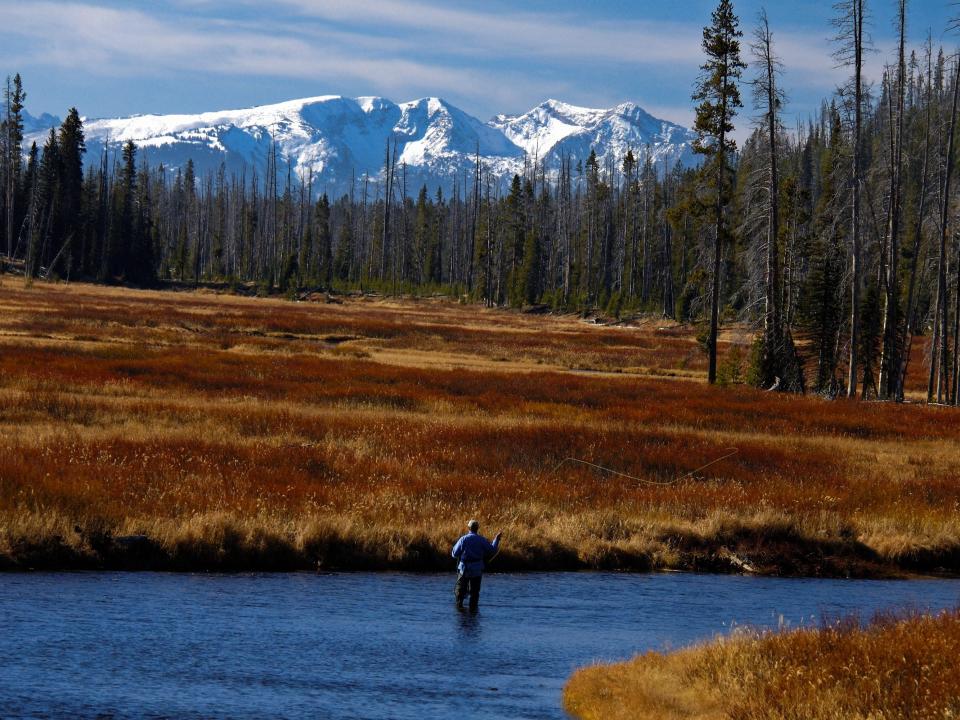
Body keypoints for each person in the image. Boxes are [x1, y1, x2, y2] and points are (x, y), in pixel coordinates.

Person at [451, 519, 502, 611]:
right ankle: (473, 611)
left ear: (468, 528)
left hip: (464, 569)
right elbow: (492, 550)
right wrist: (496, 539)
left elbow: (454, 554)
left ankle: (459, 609)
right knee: (474, 593)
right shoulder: (481, 540)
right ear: (477, 528)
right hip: (477, 570)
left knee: (460, 592)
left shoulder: (463, 539)